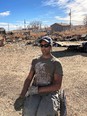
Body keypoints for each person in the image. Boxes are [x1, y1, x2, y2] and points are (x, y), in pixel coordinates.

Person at [14, 36, 63, 116]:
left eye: (46, 45)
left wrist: (38, 90)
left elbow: (57, 85)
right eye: (41, 45)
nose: (43, 48)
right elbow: (29, 79)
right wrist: (22, 96)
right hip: (35, 92)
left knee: (43, 113)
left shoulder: (56, 63)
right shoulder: (35, 61)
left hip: (50, 93)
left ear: (50, 46)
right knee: (28, 111)